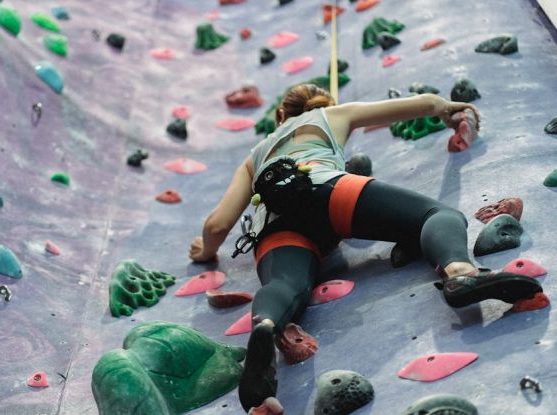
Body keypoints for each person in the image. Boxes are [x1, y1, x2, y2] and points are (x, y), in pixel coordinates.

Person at [187, 84, 543, 412]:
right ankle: (461, 274)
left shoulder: (254, 157)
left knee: (285, 285)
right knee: (436, 215)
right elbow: (416, 104)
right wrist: (444, 107)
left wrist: (205, 251)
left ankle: (265, 326)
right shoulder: (330, 114)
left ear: (280, 115)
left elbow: (217, 225)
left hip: (273, 224)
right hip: (324, 189)